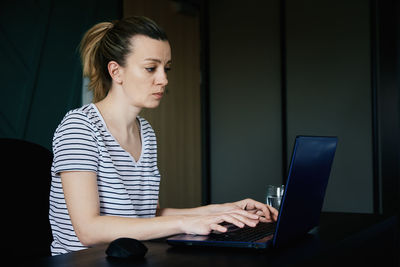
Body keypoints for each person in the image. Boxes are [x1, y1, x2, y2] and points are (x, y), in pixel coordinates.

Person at [49, 16, 278, 255]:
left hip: (129, 257)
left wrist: (223, 211)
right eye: (151, 68)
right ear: (116, 71)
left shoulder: (145, 131)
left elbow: (149, 216)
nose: (164, 79)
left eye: (166, 68)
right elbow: (89, 230)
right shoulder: (79, 127)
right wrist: (184, 223)